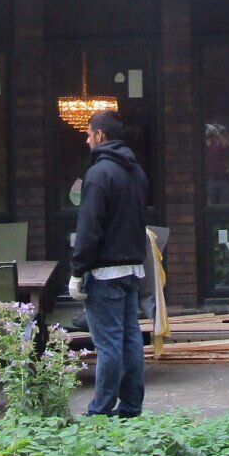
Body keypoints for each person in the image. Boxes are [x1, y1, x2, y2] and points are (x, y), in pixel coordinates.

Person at [68, 109, 149, 417]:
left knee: (108, 344)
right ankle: (130, 407)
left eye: (88, 134)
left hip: (104, 273)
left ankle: (100, 412)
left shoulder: (99, 174)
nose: (87, 140)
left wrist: (78, 271)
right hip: (132, 269)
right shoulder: (136, 171)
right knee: (130, 339)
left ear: (100, 135)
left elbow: (89, 228)